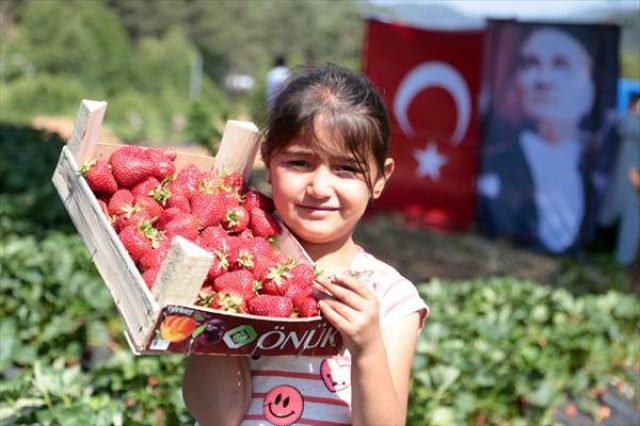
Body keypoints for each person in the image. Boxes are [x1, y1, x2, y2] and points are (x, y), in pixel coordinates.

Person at [183, 64, 428, 425]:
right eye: (299, 162)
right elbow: (216, 415)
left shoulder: (390, 298)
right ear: (267, 162)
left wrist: (367, 348)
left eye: (346, 169)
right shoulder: (235, 272)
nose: (319, 187)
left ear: (379, 178)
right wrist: (216, 314)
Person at [477, 26, 601, 254]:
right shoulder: (494, 165)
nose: (543, 79)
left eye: (561, 65)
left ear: (591, 85)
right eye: (530, 64)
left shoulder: (598, 173)